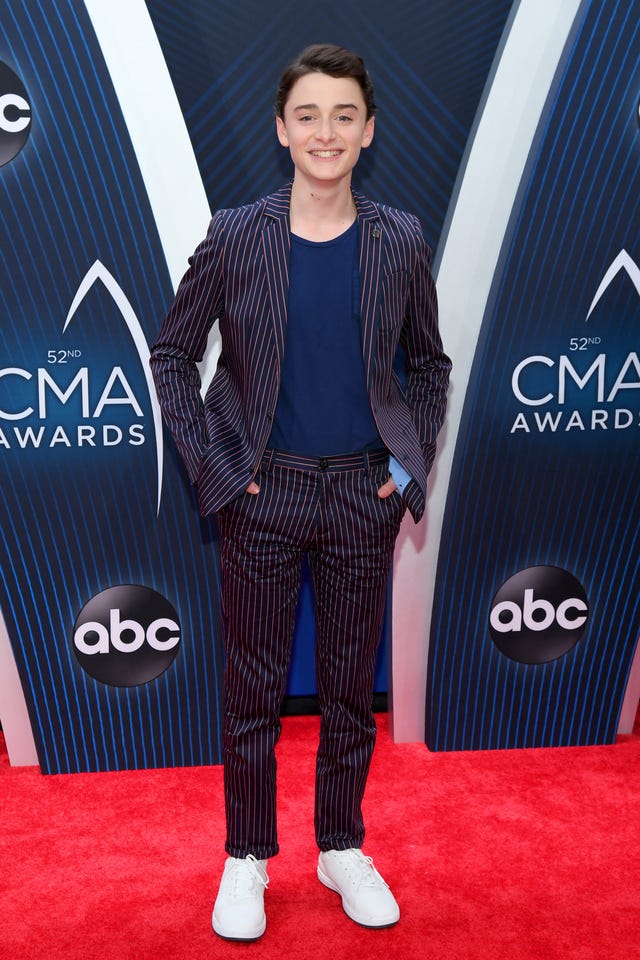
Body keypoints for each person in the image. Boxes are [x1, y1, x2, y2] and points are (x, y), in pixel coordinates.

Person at [150, 43, 451, 941]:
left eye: (344, 116)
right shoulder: (237, 234)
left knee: (352, 690)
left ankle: (340, 846)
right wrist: (218, 467)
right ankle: (246, 857)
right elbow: (172, 354)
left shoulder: (400, 239)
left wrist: (407, 471)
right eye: (309, 116)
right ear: (283, 131)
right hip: (262, 495)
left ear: (369, 131)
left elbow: (430, 366)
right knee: (253, 691)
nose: (327, 132)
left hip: (364, 497)